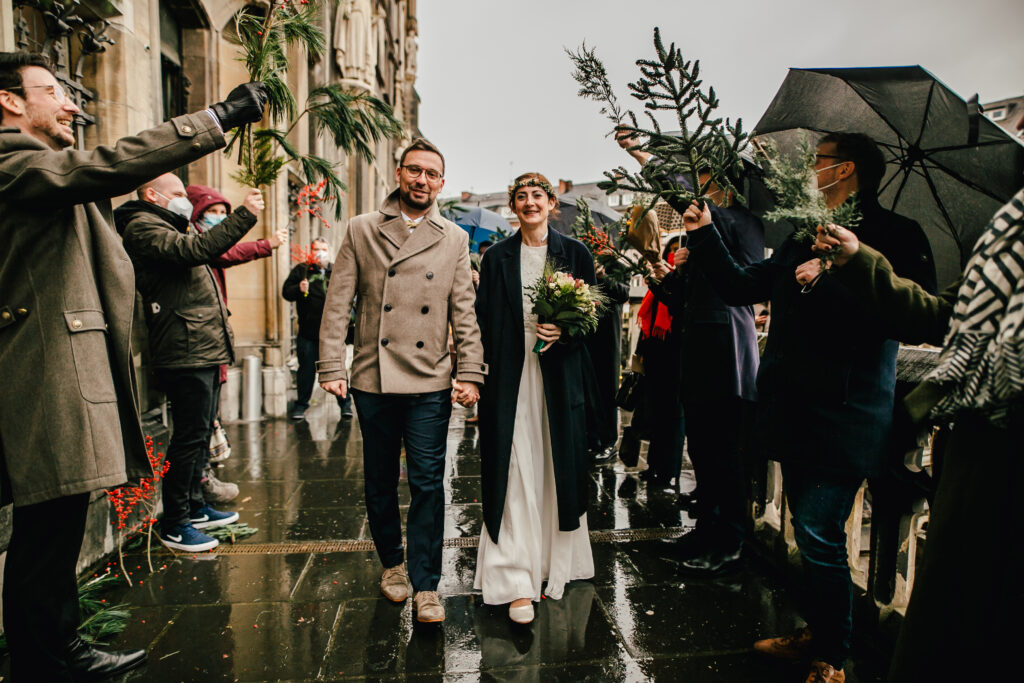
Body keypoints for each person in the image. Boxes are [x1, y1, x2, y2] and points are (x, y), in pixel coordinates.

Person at [0, 50, 265, 681]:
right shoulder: (13, 160)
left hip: (64, 371)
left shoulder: (33, 165)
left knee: (55, 527)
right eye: (52, 92)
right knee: (46, 531)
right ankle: (46, 661)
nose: (71, 103)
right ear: (10, 101)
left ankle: (56, 650)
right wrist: (219, 115)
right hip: (41, 374)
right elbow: (107, 165)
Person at [670, 132, 935, 682]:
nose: (810, 169)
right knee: (810, 533)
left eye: (819, 161)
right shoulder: (800, 234)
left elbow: (912, 318)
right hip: (792, 409)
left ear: (845, 171)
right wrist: (703, 234)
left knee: (818, 533)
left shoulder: (895, 235)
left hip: (846, 413)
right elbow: (743, 287)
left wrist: (836, 273)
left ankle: (831, 658)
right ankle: (819, 629)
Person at [810, 110, 1022, 678]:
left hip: (1000, 439)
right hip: (978, 441)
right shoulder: (1009, 227)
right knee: (950, 623)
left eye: (819, 161)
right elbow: (940, 315)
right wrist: (859, 260)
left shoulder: (914, 231)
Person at [318, 138, 485, 624]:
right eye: (414, 171)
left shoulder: (453, 237)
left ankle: (427, 585)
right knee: (379, 480)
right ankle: (393, 564)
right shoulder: (362, 229)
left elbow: (464, 312)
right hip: (374, 377)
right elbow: (337, 303)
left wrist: (470, 371)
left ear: (441, 183)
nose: (422, 180)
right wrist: (331, 366)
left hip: (430, 379)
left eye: (432, 174)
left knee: (430, 484)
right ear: (398, 173)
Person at [118, 172, 266, 553]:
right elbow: (194, 252)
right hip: (184, 351)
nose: (186, 199)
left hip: (199, 347)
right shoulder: (142, 226)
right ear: (152, 194)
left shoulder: (169, 224)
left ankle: (196, 508)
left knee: (199, 435)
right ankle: (176, 522)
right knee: (188, 438)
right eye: (179, 193)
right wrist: (245, 215)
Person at [474, 172, 597, 625]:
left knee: (553, 462)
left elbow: (593, 322)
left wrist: (565, 331)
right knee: (513, 463)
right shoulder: (496, 259)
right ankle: (514, 577)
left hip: (559, 377)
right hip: (510, 377)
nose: (530, 203)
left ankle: (552, 562)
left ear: (552, 204)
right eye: (521, 197)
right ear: (513, 207)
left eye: (537, 196)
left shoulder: (575, 254)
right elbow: (484, 322)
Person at [648, 167, 763, 574]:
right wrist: (669, 278)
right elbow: (684, 301)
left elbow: (746, 279)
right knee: (700, 449)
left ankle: (730, 541)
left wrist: (704, 245)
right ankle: (705, 530)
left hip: (728, 350)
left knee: (726, 452)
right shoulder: (696, 232)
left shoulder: (743, 221)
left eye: (704, 176)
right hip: (696, 351)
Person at [186, 183, 288, 502]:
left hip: (211, 342)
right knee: (194, 427)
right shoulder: (193, 242)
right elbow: (227, 251)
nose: (218, 219)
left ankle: (202, 482)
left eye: (222, 213)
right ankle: (197, 488)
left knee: (205, 419)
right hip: (194, 345)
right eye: (212, 213)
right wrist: (265, 243)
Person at [282, 236, 353, 420]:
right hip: (308, 331)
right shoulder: (302, 270)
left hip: (332, 334)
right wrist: (299, 288)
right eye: (316, 249)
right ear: (311, 251)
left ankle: (345, 404)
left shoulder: (335, 270)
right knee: (306, 370)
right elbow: (286, 293)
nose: (319, 253)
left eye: (323, 249)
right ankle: (301, 405)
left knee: (338, 368)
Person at [584, 258, 630, 463]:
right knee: (588, 389)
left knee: (608, 389)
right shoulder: (583, 259)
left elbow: (623, 293)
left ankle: (609, 442)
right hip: (585, 332)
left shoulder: (618, 266)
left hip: (608, 335)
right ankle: (591, 439)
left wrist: (604, 277)